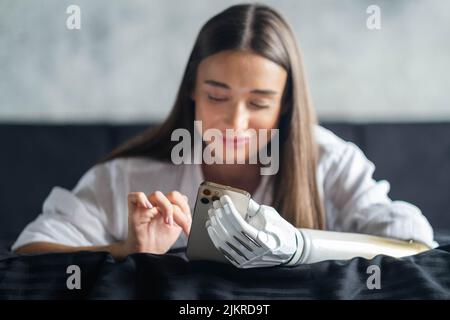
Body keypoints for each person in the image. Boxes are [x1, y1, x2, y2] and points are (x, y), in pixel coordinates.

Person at [12, 4, 435, 267]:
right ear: (193, 91)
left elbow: (414, 243)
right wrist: (126, 249)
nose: (235, 123)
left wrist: (298, 245)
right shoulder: (128, 176)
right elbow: (29, 251)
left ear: (285, 104)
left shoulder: (331, 162)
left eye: (258, 103)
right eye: (217, 96)